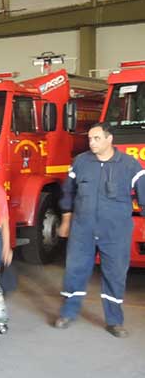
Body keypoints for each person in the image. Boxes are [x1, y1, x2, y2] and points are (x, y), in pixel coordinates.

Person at [55, 122, 145, 337]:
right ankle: (68, 313)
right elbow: (68, 193)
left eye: (96, 138)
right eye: (89, 139)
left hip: (115, 232)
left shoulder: (130, 165)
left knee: (114, 274)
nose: (91, 143)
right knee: (75, 271)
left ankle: (114, 321)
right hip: (83, 229)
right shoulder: (80, 162)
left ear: (109, 139)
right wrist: (66, 221)